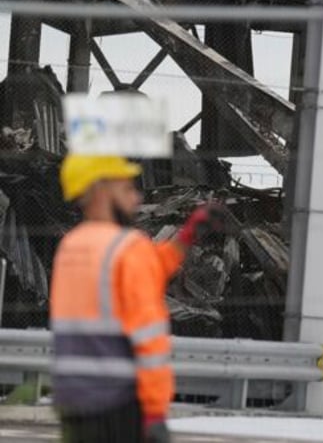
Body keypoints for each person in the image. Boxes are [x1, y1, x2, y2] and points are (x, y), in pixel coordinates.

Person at [50, 155, 220, 443]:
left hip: (75, 399)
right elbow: (148, 339)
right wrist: (154, 412)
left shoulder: (71, 247)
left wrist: (187, 237)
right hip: (121, 403)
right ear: (102, 190)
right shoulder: (128, 248)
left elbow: (147, 268)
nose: (137, 196)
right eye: (127, 188)